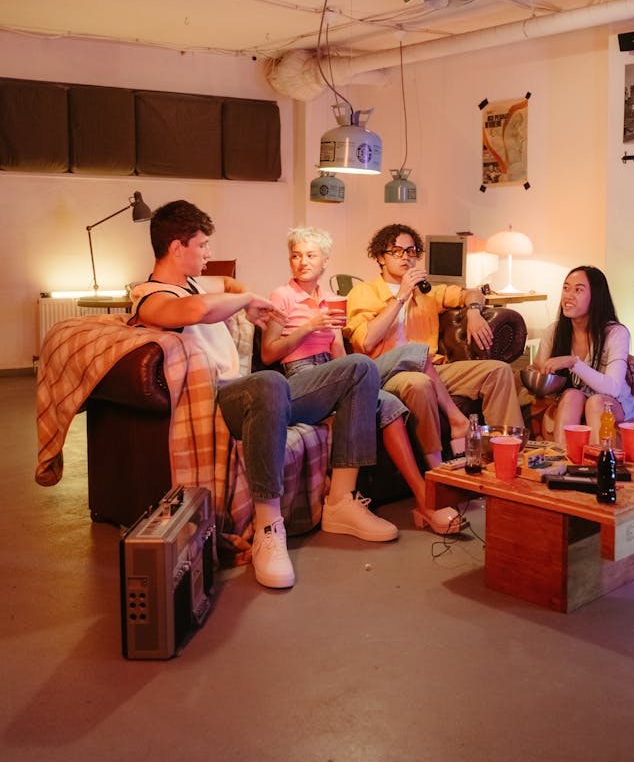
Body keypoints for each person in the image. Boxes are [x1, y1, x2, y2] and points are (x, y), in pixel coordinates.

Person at [127, 200, 397, 593]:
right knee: (269, 382)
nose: (208, 254)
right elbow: (198, 310)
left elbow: (227, 287)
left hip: (253, 392)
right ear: (176, 247)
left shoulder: (197, 283)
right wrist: (247, 302)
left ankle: (340, 502)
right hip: (221, 398)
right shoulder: (149, 295)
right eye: (202, 245)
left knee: (359, 367)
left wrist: (243, 294)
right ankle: (269, 527)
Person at [261, 226, 465, 536]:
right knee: (400, 356)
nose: (303, 262)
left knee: (390, 406)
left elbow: (340, 355)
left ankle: (425, 501)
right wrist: (309, 326)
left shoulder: (332, 299)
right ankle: (456, 425)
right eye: (296, 256)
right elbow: (267, 353)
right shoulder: (282, 296)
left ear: (325, 260)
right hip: (302, 377)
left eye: (311, 255)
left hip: (336, 373)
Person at [345, 223, 524, 469]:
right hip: (388, 374)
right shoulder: (364, 292)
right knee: (420, 383)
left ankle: (506, 457)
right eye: (397, 251)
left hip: (433, 368)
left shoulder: (426, 293)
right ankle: (437, 470)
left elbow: (470, 293)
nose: (406, 257)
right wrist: (401, 297)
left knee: (498, 371)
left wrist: (473, 311)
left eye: (411, 251)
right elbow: (365, 341)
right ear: (380, 258)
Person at [533, 265, 634, 445]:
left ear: (595, 297)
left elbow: (614, 388)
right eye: (566, 288)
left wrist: (573, 363)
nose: (568, 296)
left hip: (613, 401)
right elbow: (539, 372)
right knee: (571, 395)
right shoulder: (553, 332)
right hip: (573, 399)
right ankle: (562, 463)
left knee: (595, 402)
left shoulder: (616, 333)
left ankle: (597, 467)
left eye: (578, 290)